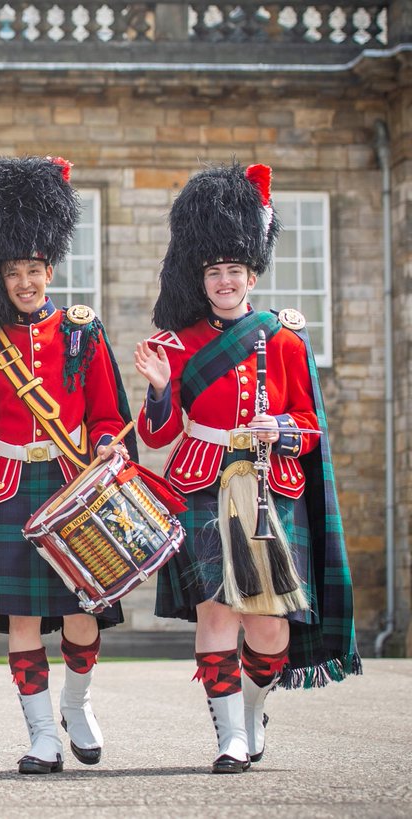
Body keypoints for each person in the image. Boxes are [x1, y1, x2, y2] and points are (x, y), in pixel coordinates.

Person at [133, 163, 360, 773]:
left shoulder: (284, 340)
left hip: (269, 485)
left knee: (268, 628)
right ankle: (229, 736)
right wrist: (158, 390)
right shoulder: (178, 343)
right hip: (201, 481)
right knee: (216, 611)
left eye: (235, 271)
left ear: (251, 275)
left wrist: (280, 428)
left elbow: (311, 429)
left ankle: (254, 708)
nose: (225, 280)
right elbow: (157, 434)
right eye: (215, 272)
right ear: (202, 278)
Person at [0, 156, 136, 774]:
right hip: (11, 487)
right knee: (24, 617)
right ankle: (40, 737)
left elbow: (109, 414)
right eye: (12, 272)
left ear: (49, 269)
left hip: (72, 481)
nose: (24, 281)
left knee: (81, 614)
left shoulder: (82, 332)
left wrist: (109, 445)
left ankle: (76, 707)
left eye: (33, 269)